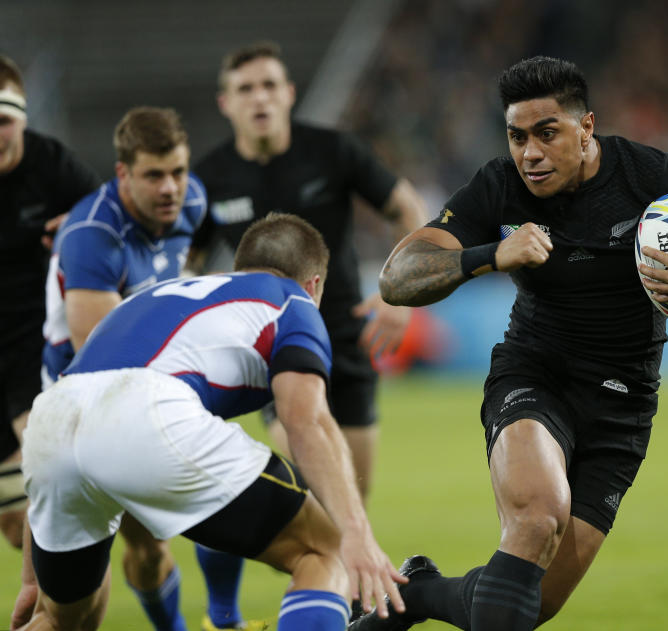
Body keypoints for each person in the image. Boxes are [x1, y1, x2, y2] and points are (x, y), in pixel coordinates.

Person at [350, 56, 668, 631]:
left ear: (586, 128)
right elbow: (397, 277)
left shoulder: (648, 175)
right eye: (517, 137)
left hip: (623, 407)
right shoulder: (499, 187)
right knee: (536, 520)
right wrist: (486, 256)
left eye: (546, 133)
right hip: (535, 377)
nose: (529, 153)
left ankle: (417, 594)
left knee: (529, 604)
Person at [17, 212, 408, 631]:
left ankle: (223, 618)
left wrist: (30, 578)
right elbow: (305, 419)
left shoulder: (160, 295)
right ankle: (228, 616)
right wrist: (356, 531)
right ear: (315, 284)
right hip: (140, 411)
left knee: (60, 619)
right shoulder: (292, 300)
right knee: (325, 550)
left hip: (50, 423)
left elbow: (77, 403)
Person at [33, 106, 262, 631]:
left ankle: (224, 621)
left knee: (227, 486)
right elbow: (100, 358)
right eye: (153, 175)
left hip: (157, 378)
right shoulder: (92, 237)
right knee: (148, 544)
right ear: (122, 175)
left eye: (178, 172)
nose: (171, 188)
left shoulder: (193, 199)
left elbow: (193, 246)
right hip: (85, 402)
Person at [191, 41, 428, 503]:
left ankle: (339, 573)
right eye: (245, 89)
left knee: (353, 502)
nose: (259, 98)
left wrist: (401, 292)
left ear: (289, 93)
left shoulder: (332, 151)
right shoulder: (210, 178)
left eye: (268, 85)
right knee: (320, 497)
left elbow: (409, 208)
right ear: (226, 103)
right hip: (273, 347)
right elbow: (185, 262)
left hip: (347, 338)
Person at [0, 53, 99, 551]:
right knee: (17, 527)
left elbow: (108, 221)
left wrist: (78, 228)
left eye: (4, 121)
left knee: (51, 491)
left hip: (30, 346)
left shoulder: (51, 164)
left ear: (23, 118)